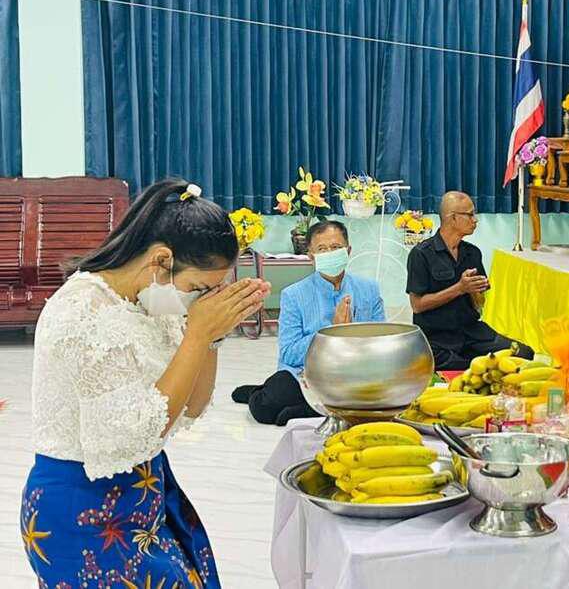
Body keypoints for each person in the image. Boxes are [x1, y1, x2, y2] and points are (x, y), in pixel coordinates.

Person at [21, 179, 270, 588]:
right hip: (81, 506)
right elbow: (128, 438)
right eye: (198, 289)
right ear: (161, 260)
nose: (199, 301)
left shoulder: (152, 300)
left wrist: (211, 336)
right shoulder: (82, 311)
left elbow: (191, 406)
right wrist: (197, 335)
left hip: (144, 488)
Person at [232, 220, 385, 424]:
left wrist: (351, 337)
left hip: (352, 375)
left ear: (348, 251)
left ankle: (310, 409)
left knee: (386, 394)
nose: (329, 253)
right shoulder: (294, 294)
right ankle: (262, 393)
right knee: (266, 408)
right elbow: (289, 353)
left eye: (336, 247)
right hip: (306, 375)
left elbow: (380, 344)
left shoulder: (369, 289)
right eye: (322, 249)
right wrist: (330, 332)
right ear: (311, 256)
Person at [406, 191, 533, 370]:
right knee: (452, 366)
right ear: (453, 218)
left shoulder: (472, 253)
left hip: (472, 332)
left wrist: (475, 292)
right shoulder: (421, 254)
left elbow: (479, 303)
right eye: (470, 215)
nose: (475, 220)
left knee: (524, 353)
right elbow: (417, 305)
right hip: (437, 337)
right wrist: (459, 288)